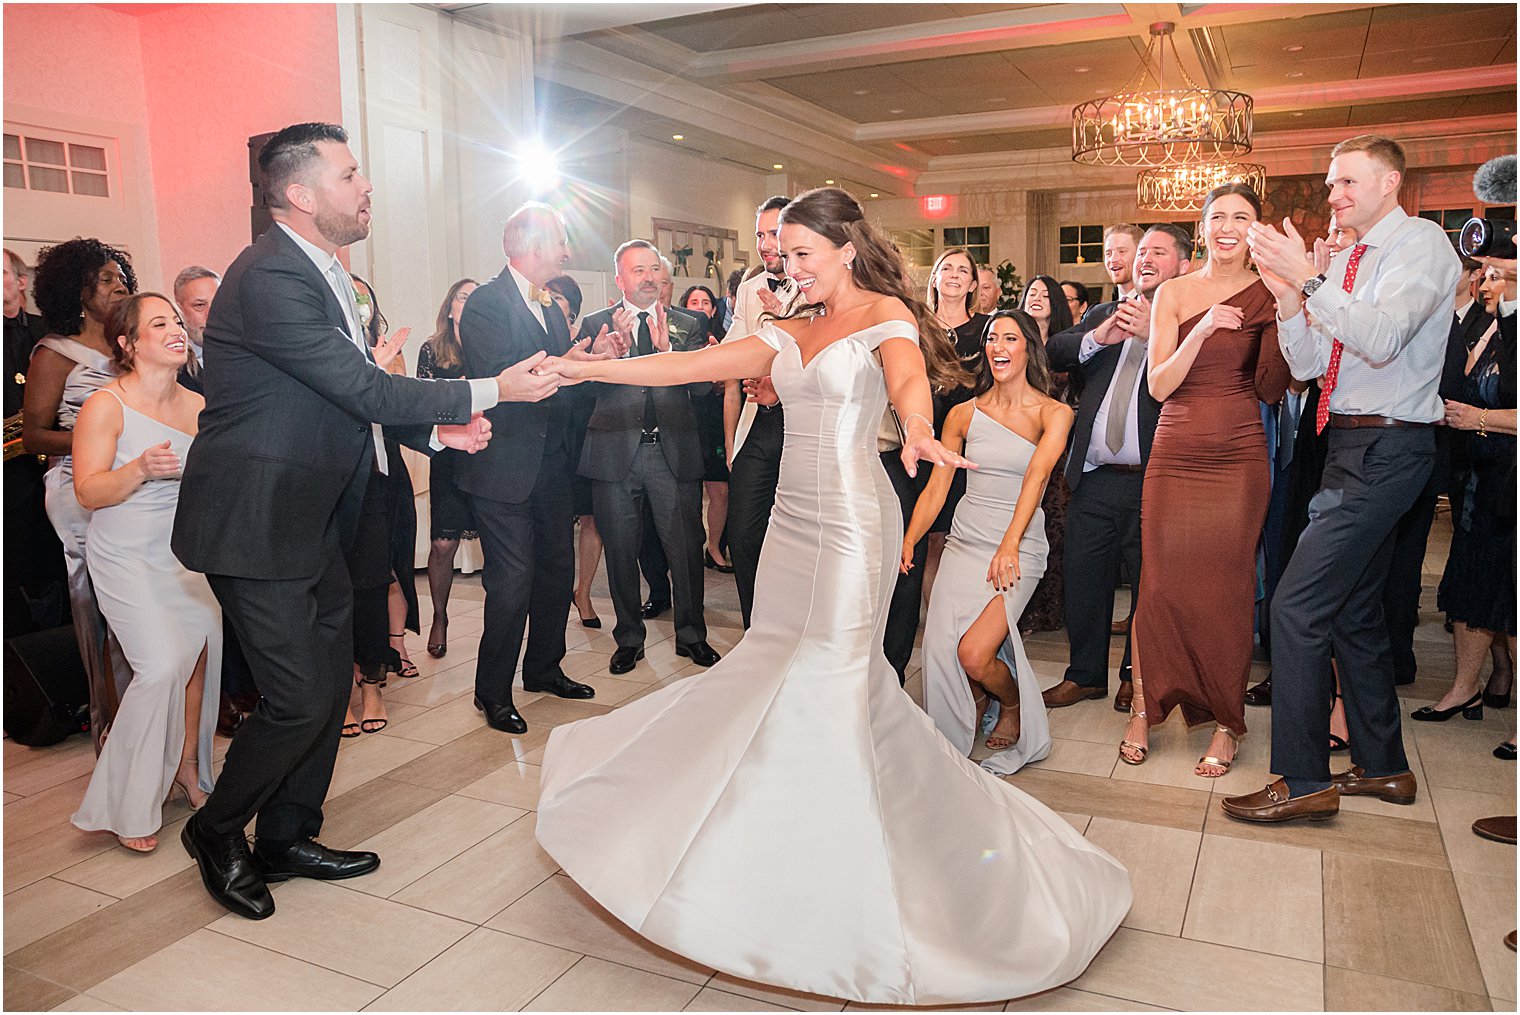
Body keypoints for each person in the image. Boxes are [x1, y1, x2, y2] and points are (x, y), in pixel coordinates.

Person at [532, 186, 1129, 1006]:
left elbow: (909, 382)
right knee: (775, 666)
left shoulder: (884, 312)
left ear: (847, 248)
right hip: (789, 522)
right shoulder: (783, 328)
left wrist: (918, 430)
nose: (788, 265)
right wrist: (582, 367)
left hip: (854, 521)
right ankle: (775, 842)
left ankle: (858, 875)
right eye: (782, 254)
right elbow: (686, 364)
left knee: (838, 679)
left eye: (802, 253)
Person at [172, 122, 525, 921]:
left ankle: (288, 833)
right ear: (299, 195)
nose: (367, 187)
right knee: (298, 694)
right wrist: (491, 390)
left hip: (317, 514)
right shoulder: (268, 276)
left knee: (332, 683)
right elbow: (363, 389)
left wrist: (436, 431)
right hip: (255, 521)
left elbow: (352, 393)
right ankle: (218, 828)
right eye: (350, 174)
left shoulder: (328, 273)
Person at [1225, 134, 1460, 822]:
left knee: (1295, 608)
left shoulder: (1420, 245)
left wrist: (1309, 279)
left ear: (1390, 183)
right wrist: (1292, 297)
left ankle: (1301, 780)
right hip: (1348, 445)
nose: (1334, 196)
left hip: (1388, 448)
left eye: (1347, 183)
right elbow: (1307, 363)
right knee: (1354, 613)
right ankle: (1384, 766)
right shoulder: (1350, 258)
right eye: (1332, 185)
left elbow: (1383, 338)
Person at [1119, 184, 1291, 775]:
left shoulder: (1268, 293)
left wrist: (1291, 306)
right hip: (1176, 451)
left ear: (1255, 230)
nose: (1228, 226)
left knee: (1227, 590)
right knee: (1159, 584)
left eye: (1241, 218)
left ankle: (1227, 721)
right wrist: (1202, 329)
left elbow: (1274, 386)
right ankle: (1145, 706)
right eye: (1218, 216)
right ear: (1203, 226)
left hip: (1240, 455)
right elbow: (1160, 385)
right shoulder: (1173, 292)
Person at [456, 201, 622, 737]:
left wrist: (589, 361)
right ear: (530, 245)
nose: (567, 252)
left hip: (552, 466)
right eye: (559, 241)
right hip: (502, 467)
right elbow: (504, 377)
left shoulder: (550, 304)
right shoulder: (484, 303)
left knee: (555, 570)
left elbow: (558, 378)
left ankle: (545, 669)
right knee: (512, 581)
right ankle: (492, 691)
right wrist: (577, 362)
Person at [69, 292, 221, 852]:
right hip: (126, 552)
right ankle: (125, 800)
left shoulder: (199, 405)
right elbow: (88, 490)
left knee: (200, 658)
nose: (177, 330)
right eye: (160, 323)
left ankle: (185, 768)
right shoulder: (105, 405)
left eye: (178, 321)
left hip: (187, 551)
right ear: (128, 344)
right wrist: (137, 468)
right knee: (160, 666)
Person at [910, 309, 1071, 774]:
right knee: (943, 648)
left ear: (1028, 348)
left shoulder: (1053, 412)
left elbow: (1037, 479)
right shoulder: (963, 413)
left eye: (1010, 339)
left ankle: (1013, 702)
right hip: (964, 540)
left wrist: (1010, 545)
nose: (999, 347)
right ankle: (975, 701)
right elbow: (938, 487)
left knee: (974, 652)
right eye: (992, 339)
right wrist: (910, 540)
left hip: (1018, 545)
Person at [1043, 225, 1194, 713]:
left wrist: (1157, 337)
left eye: (1158, 252)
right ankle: (1084, 675)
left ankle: (1135, 675)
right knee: (1084, 580)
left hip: (1155, 480)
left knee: (1149, 586)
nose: (1145, 259)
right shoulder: (1105, 313)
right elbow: (1053, 351)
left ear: (1184, 265)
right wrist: (1097, 336)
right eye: (1142, 252)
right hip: (1093, 477)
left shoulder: (1193, 320)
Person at [574, 240, 720, 675]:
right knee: (620, 551)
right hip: (615, 454)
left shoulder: (687, 323)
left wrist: (667, 352)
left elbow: (701, 389)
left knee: (686, 551)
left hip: (671, 452)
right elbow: (580, 394)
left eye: (654, 269)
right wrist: (601, 360)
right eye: (638, 271)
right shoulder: (597, 323)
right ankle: (628, 639)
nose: (648, 278)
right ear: (619, 279)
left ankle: (692, 635)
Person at [26, 238, 136, 748]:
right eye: (108, 279)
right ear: (78, 290)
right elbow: (34, 436)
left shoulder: (125, 346)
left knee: (136, 609)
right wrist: (102, 436)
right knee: (99, 608)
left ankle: (146, 727)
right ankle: (111, 730)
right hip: (78, 490)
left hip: (131, 482)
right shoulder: (53, 353)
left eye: (121, 278)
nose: (120, 286)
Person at [1419, 262, 1515, 720]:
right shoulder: (1490, 332)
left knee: (1510, 598)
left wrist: (1479, 420)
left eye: (1502, 277)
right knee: (1472, 586)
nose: (1488, 284)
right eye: (1488, 275)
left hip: (1513, 481)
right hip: (1482, 479)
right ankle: (1464, 688)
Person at [724, 196, 801, 627]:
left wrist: (785, 320)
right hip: (758, 423)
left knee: (795, 538)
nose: (765, 244)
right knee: (744, 533)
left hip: (803, 426)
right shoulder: (752, 291)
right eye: (759, 235)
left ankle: (792, 629)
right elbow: (736, 357)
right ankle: (758, 631)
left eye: (774, 234)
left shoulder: (820, 286)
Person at [916, 248, 988, 620]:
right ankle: (932, 618)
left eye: (964, 270)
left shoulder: (986, 328)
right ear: (935, 279)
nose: (955, 275)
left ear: (974, 283)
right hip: (917, 437)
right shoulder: (916, 325)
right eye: (947, 268)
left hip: (965, 444)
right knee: (924, 536)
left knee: (951, 537)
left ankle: (951, 619)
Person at [4, 247, 66, 637]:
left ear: (21, 282)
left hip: (58, 466)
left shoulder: (50, 333)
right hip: (12, 479)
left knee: (60, 565)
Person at [416, 278, 480, 653]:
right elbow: (422, 403)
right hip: (449, 455)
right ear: (450, 305)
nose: (468, 304)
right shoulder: (433, 349)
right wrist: (457, 392)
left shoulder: (492, 344)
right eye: (462, 296)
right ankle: (439, 616)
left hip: (489, 454)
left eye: (475, 299)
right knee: (443, 543)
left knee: (502, 543)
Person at [544, 274, 605, 630]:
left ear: (573, 307)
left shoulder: (586, 340)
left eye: (560, 297)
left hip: (583, 435)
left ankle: (583, 592)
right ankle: (553, 592)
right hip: (550, 438)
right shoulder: (537, 336)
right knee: (554, 522)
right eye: (548, 294)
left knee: (590, 519)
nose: (553, 300)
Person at [1016, 274, 1074, 634]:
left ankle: (1049, 612)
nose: (1036, 298)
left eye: (1044, 294)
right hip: (1016, 445)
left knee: (1052, 528)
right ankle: (1017, 609)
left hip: (1055, 449)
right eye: (1030, 293)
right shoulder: (1011, 339)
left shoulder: (1067, 346)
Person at [680, 283, 733, 572]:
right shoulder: (675, 338)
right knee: (686, 496)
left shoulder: (723, 339)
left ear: (714, 309)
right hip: (685, 421)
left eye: (705, 302)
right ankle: (687, 548)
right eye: (693, 302)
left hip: (713, 419)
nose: (699, 307)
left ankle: (714, 548)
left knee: (720, 491)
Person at [171, 265, 220, 391]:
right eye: (199, 305)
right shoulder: (170, 363)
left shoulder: (248, 351)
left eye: (217, 304)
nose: (211, 314)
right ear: (179, 310)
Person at [1103, 224, 1144, 301]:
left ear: (1140, 255)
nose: (1113, 259)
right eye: (1108, 253)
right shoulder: (1099, 312)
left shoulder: (1158, 306)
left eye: (1122, 251)